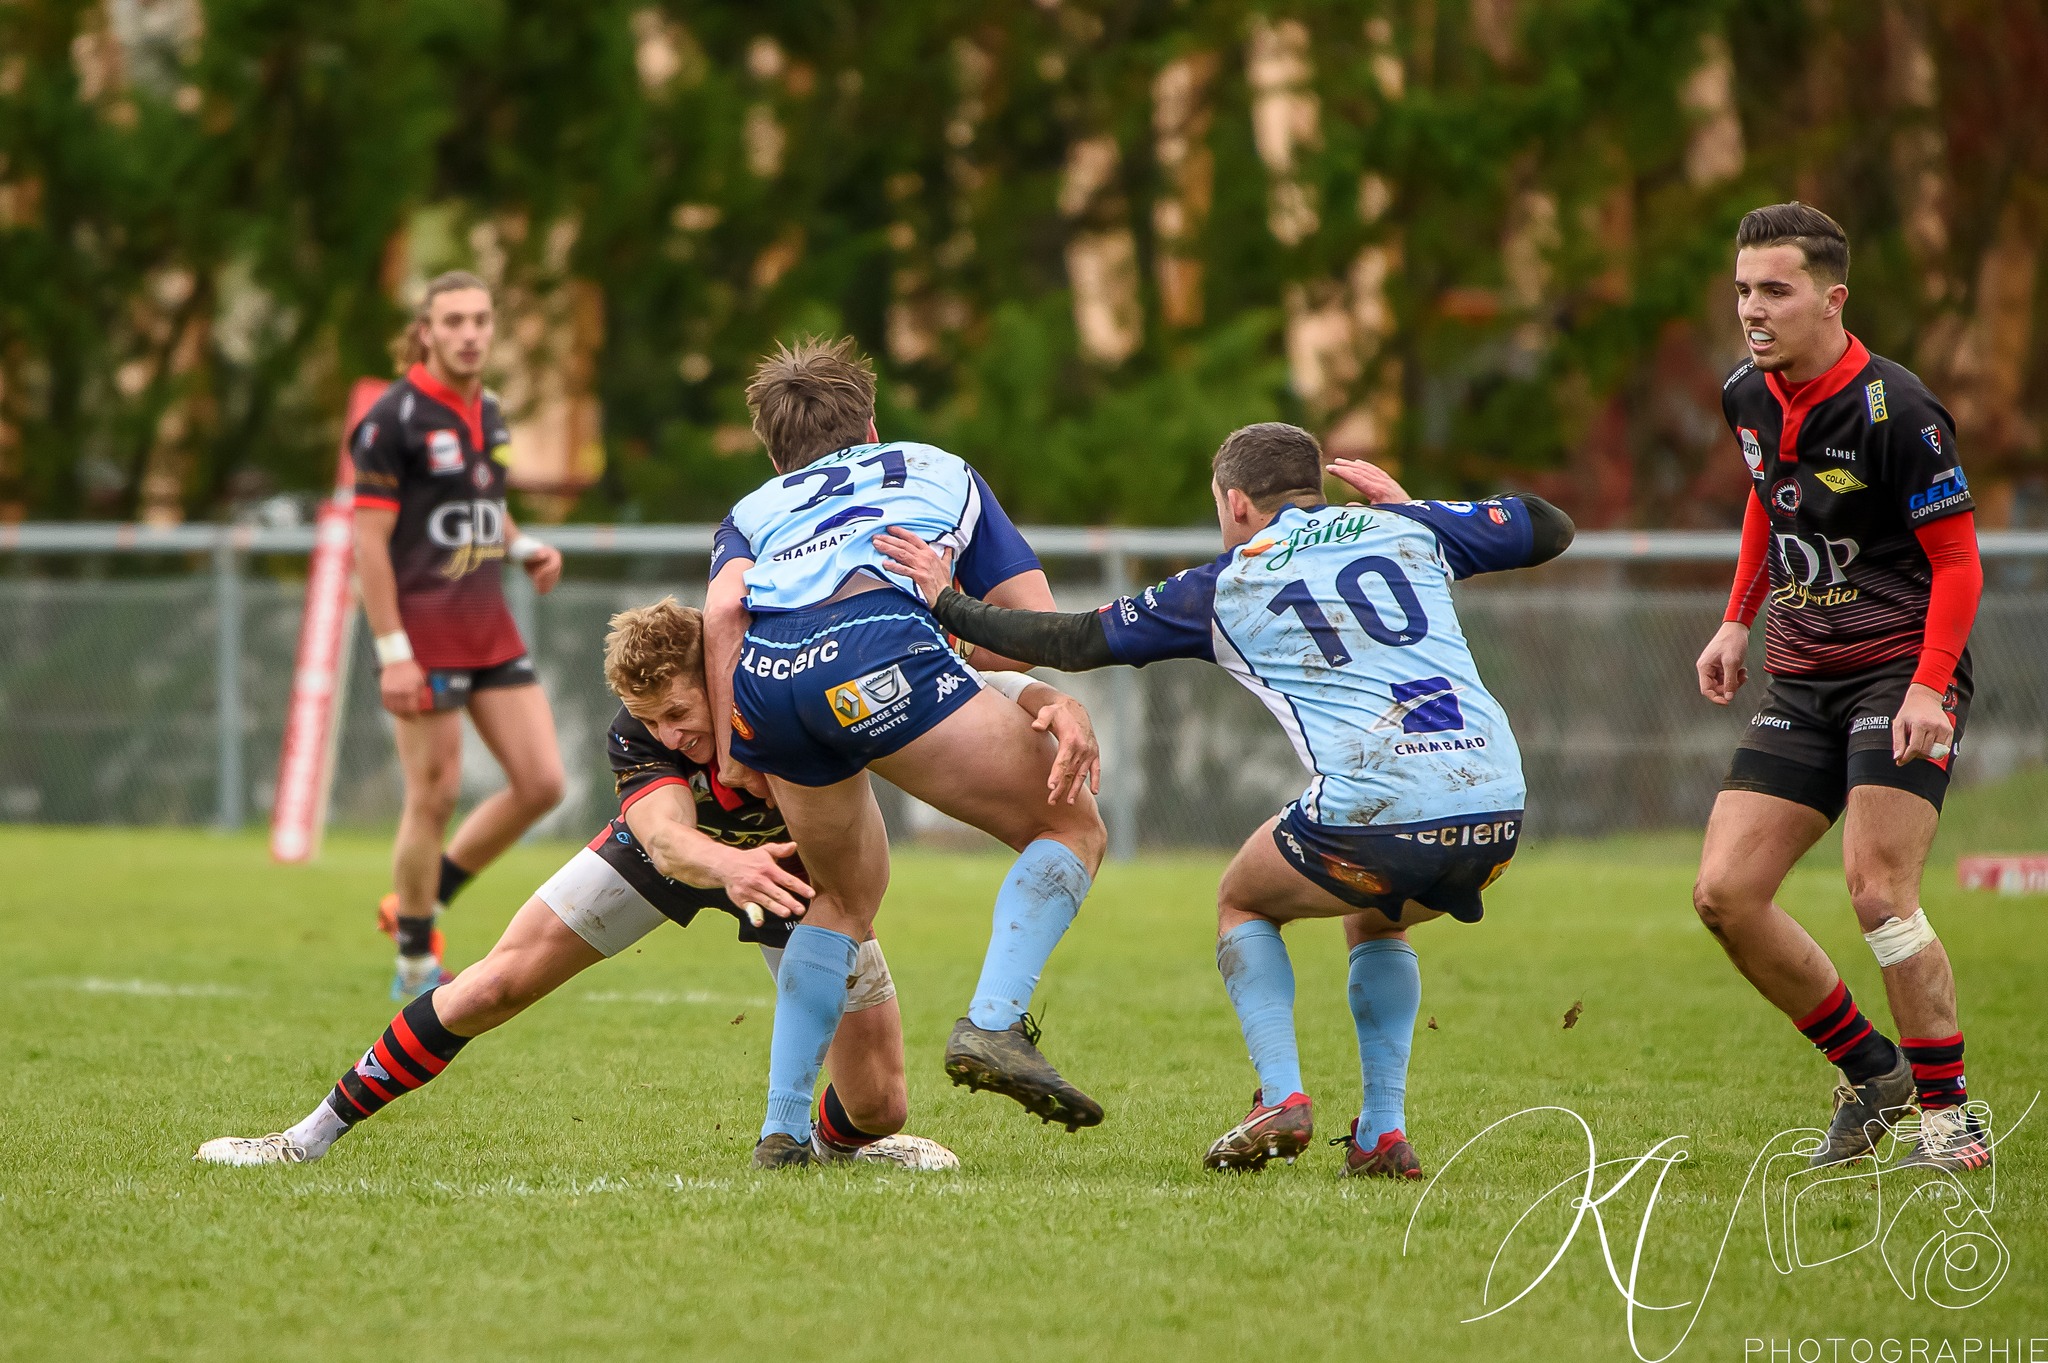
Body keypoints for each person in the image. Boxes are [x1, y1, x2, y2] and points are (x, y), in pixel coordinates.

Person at [877, 422, 1574, 1176]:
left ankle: (1280, 1095)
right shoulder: (1405, 526)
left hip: (1386, 806)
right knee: (1376, 914)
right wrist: (1415, 506)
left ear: (1237, 502)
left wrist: (944, 600)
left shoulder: (1227, 581)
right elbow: (1549, 525)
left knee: (1243, 897)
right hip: (1496, 805)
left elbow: (1070, 639)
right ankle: (1380, 1135)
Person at [196, 598, 1098, 1170]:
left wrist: (1041, 698)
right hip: (697, 861)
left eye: (678, 712)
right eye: (648, 721)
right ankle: (305, 1136)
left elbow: (947, 680)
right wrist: (729, 863)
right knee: (497, 980)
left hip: (799, 880)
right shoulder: (645, 738)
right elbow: (665, 837)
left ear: (713, 679)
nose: (669, 734)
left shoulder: (783, 684)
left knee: (881, 1101)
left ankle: (830, 1146)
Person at [704, 337, 1109, 1168]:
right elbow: (1025, 628)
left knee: (846, 897)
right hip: (875, 646)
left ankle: (782, 1130)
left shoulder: (752, 509)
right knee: (1071, 824)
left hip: (769, 681)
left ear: (775, 449)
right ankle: (993, 1023)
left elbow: (721, 613)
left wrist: (731, 750)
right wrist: (944, 642)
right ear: (873, 424)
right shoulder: (935, 465)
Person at [1692, 203, 1988, 1174]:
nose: (1751, 309)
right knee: (1725, 894)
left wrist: (1927, 689)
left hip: (1899, 671)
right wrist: (1738, 617)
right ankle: (1871, 1072)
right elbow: (1762, 499)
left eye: (1772, 289)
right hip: (1802, 673)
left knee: (1877, 893)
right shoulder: (1745, 392)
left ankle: (1950, 1121)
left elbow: (1956, 565)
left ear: (1831, 298)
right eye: (1741, 290)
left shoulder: (1896, 411)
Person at [351, 271, 567, 999]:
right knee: (434, 792)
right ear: (426, 330)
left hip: (488, 624)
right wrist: (392, 653)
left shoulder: (491, 412)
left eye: (481, 319)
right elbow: (368, 544)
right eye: (454, 321)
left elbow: (485, 506)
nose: (470, 332)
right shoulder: (393, 420)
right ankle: (415, 956)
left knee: (542, 781)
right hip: (423, 632)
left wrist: (526, 544)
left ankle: (420, 898)